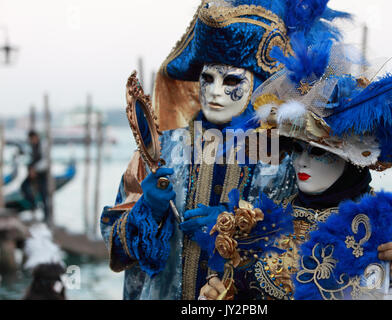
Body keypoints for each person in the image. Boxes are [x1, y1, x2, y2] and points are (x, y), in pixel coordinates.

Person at [100, 0, 349, 300]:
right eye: (207, 79)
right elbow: (113, 243)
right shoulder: (160, 150)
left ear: (258, 84)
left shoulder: (283, 158)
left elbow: (308, 243)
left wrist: (237, 228)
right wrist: (148, 211)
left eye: (231, 80)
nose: (216, 91)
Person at [197, 36, 392, 299]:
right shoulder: (262, 226)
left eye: (318, 151)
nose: (301, 161)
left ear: (351, 159)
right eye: (296, 148)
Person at [20, 130, 49, 222]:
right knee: (24, 186)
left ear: (35, 137)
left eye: (31, 139)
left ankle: (46, 217)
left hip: (41, 173)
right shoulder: (32, 146)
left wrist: (34, 169)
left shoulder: (43, 145)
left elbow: (45, 161)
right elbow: (30, 158)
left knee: (44, 194)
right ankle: (34, 205)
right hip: (33, 172)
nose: (31, 141)